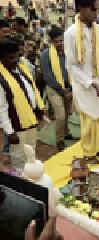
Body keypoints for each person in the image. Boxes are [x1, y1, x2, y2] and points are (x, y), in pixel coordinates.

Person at [64, 0, 99, 164]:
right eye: (92, 9)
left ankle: (97, 148)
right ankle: (88, 153)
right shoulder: (70, 33)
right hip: (84, 85)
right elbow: (70, 66)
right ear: (80, 9)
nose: (95, 12)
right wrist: (92, 83)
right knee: (89, 121)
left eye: (96, 8)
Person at [0, 39, 44, 169]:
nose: (15, 60)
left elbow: (32, 90)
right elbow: (2, 108)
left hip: (30, 119)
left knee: (31, 151)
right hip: (16, 125)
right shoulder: (1, 79)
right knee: (19, 156)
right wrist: (10, 132)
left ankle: (32, 175)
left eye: (17, 56)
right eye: (10, 58)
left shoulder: (21, 69)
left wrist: (38, 109)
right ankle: (22, 180)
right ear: (1, 59)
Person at [40, 26, 75, 151]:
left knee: (66, 114)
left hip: (68, 87)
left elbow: (72, 70)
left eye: (61, 40)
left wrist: (70, 88)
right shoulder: (45, 55)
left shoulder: (68, 52)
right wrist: (62, 91)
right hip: (54, 89)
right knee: (60, 116)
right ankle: (59, 140)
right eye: (57, 41)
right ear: (51, 41)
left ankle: (66, 132)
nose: (60, 43)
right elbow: (48, 76)